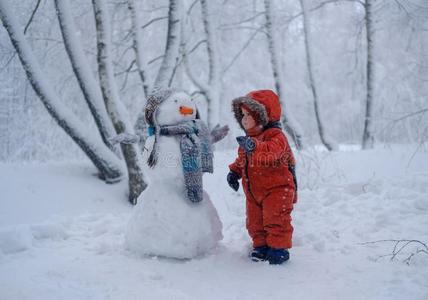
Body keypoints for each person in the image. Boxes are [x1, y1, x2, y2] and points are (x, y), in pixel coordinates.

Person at [227, 90, 297, 265]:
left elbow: (272, 152)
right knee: (254, 221)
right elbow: (243, 159)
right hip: (253, 191)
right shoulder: (248, 140)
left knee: (276, 218)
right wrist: (234, 172)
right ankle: (261, 246)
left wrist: (254, 146)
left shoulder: (276, 136)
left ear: (262, 116)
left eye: (249, 114)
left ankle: (278, 248)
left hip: (277, 189)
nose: (244, 119)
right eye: (242, 115)